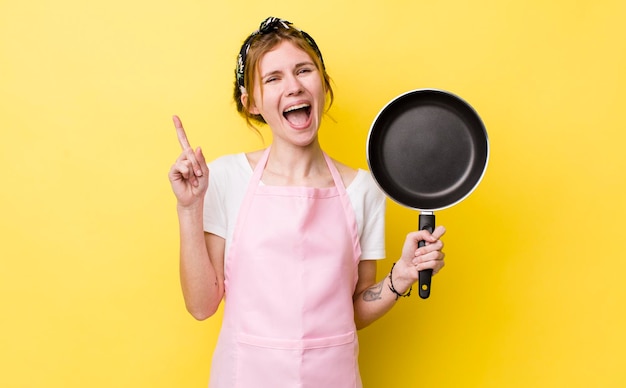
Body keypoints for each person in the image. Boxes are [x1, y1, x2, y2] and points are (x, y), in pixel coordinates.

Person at [168, 16, 446, 388]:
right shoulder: (225, 179)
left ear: (323, 86)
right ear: (251, 103)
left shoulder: (364, 189)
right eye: (273, 78)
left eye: (304, 70)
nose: (294, 86)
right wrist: (190, 208)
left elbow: (353, 310)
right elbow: (202, 306)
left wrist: (402, 275)